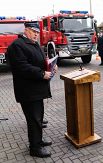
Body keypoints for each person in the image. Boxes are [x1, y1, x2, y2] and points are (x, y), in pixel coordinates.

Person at [7, 21, 57, 158]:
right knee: (33, 120)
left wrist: (51, 66)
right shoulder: (17, 46)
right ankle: (34, 148)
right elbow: (22, 67)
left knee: (38, 118)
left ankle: (38, 141)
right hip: (28, 91)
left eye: (37, 32)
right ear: (26, 30)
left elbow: (41, 60)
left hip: (37, 90)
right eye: (33, 31)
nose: (36, 34)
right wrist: (41, 74)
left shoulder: (33, 44)